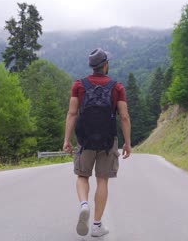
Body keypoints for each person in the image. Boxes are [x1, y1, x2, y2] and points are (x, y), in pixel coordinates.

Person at [63, 48, 132, 237]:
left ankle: (84, 204)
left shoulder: (79, 85)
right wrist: (127, 143)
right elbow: (124, 117)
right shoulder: (117, 87)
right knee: (103, 180)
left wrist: (67, 139)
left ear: (92, 67)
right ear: (106, 65)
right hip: (108, 140)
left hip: (85, 140)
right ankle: (96, 225)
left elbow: (72, 113)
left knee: (82, 176)